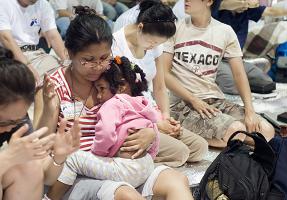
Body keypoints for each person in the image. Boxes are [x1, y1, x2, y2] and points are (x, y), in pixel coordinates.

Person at [35, 6, 194, 200]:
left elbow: (137, 108)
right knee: (124, 194)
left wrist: (150, 131)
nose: (98, 66)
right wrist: (50, 109)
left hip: (115, 164)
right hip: (75, 174)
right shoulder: (54, 85)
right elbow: (40, 147)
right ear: (69, 53)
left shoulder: (114, 76)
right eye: (88, 60)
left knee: (177, 180)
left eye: (104, 58)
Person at [47, 56, 163, 199]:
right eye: (97, 89)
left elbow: (107, 134)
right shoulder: (141, 101)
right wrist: (151, 152)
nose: (99, 95)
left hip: (125, 168)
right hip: (146, 164)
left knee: (71, 157)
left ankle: (49, 198)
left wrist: (98, 154)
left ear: (120, 87)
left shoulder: (111, 104)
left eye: (102, 89)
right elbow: (154, 129)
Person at [162, 0, 275, 148]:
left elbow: (239, 74)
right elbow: (164, 73)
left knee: (266, 131)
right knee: (235, 131)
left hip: (214, 100)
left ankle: (237, 139)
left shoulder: (225, 31)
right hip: (182, 104)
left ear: (209, 1)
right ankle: (185, 133)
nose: (186, 0)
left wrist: (250, 111)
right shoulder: (175, 28)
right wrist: (193, 99)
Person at [112, 0, 208, 167]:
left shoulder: (154, 43)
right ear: (140, 27)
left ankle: (154, 146)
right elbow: (120, 98)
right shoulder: (116, 46)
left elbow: (160, 87)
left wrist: (166, 117)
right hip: (131, 118)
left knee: (200, 148)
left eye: (158, 44)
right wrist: (155, 123)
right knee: (180, 153)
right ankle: (128, 157)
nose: (153, 47)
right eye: (152, 42)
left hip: (152, 113)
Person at [0, 46, 81, 200]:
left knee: (30, 169)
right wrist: (7, 158)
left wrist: (59, 156)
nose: (11, 126)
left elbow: (45, 176)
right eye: (4, 122)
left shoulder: (18, 121)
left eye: (17, 119)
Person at [0, 0, 68, 83]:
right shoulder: (4, 3)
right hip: (9, 55)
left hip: (36, 53)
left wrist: (67, 62)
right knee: (38, 82)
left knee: (64, 76)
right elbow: (5, 37)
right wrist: (26, 65)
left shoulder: (43, 4)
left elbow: (53, 35)